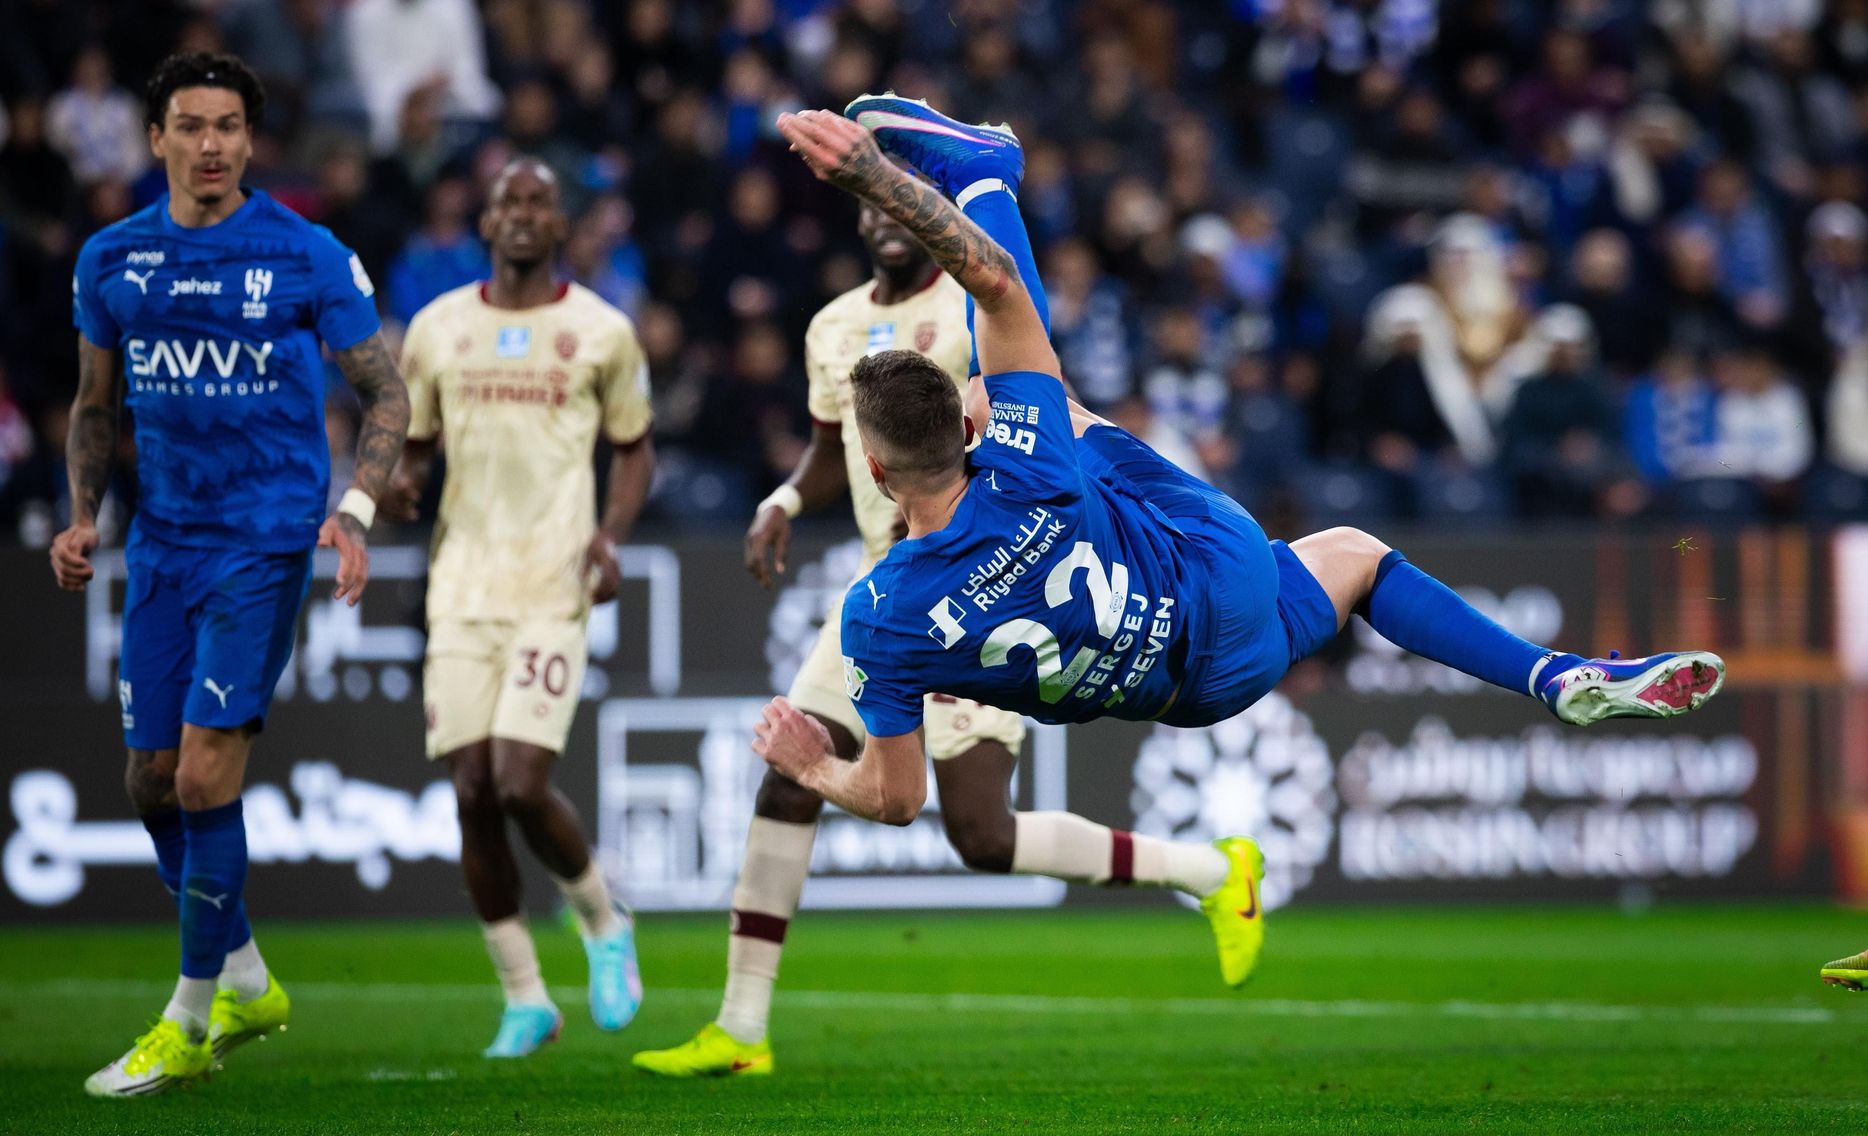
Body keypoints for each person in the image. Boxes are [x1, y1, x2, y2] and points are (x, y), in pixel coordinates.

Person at [750, 96, 1726, 983]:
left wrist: (812, 766)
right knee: (1105, 425)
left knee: (1336, 553)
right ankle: (985, 174)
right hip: (1210, 579)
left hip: (1203, 690)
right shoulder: (1023, 457)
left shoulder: (879, 616)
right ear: (963, 439)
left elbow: (894, 800)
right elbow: (997, 287)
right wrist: (878, 180)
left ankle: (983, 174)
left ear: (873, 470)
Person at [634, 190, 1259, 1080]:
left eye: (900, 206)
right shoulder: (831, 327)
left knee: (981, 834)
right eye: (872, 207)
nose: (887, 221)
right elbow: (834, 450)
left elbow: (1039, 402)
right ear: (859, 219)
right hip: (884, 604)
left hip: (986, 598)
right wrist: (784, 497)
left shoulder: (970, 302)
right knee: (790, 775)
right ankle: (740, 1027)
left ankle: (1208, 872)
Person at [51, 52, 410, 1098]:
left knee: (206, 775)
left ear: (251, 141)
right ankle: (246, 973)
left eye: (228, 127)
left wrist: (352, 508)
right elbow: (93, 404)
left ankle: (188, 1016)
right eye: (190, 125)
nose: (210, 144)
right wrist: (83, 517)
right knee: (150, 779)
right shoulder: (112, 258)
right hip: (162, 544)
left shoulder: (305, 253)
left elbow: (385, 393)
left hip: (263, 542)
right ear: (155, 137)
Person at [379, 159, 653, 1058]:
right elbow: (418, 447)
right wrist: (402, 485)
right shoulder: (437, 328)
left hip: (553, 582)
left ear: (561, 225)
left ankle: (603, 922)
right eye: (509, 202)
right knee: (471, 793)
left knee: (519, 782)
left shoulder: (603, 331)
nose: (525, 214)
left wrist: (610, 535)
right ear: (486, 222)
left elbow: (635, 447)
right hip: (461, 584)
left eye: (541, 201)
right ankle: (525, 996)